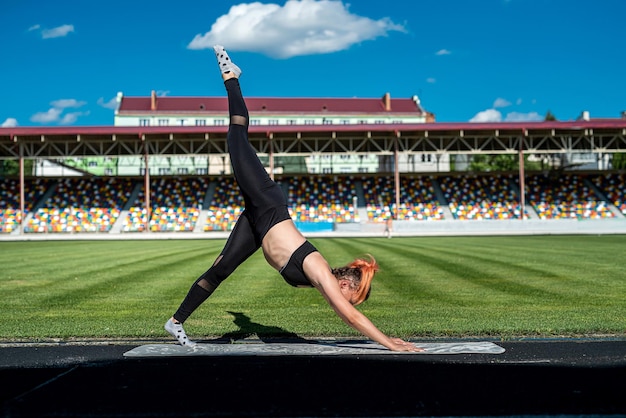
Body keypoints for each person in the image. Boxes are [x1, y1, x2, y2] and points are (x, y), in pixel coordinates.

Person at [165, 45, 423, 352]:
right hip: (267, 203)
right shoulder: (317, 268)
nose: (346, 303)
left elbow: (351, 311)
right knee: (237, 135)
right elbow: (351, 317)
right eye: (351, 297)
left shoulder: (319, 278)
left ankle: (176, 322)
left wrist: (387, 339)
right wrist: (389, 344)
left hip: (259, 227)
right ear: (345, 286)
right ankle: (230, 77)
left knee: (220, 270)